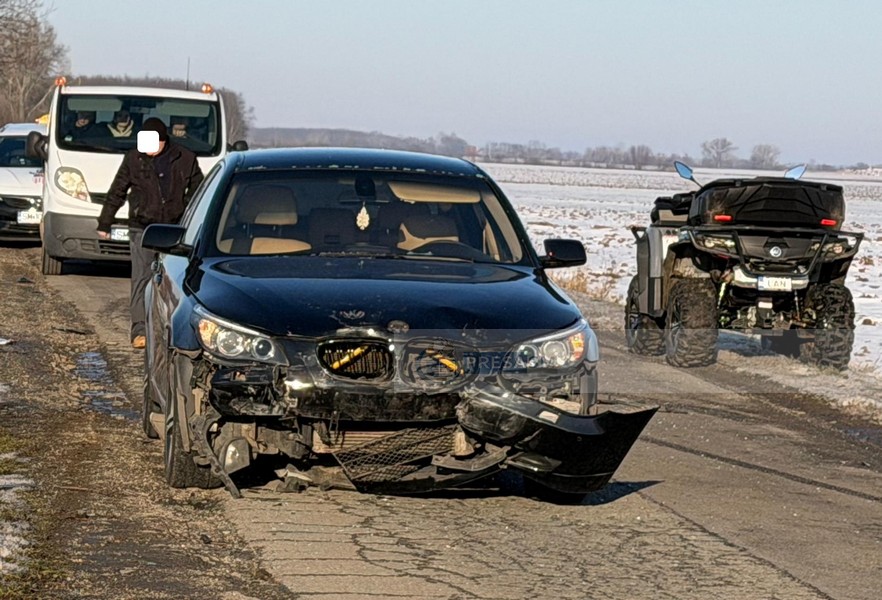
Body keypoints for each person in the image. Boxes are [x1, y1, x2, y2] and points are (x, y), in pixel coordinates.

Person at [96, 118, 204, 349]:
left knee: (175, 280)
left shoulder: (185, 158)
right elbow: (117, 190)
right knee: (142, 279)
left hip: (174, 230)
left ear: (164, 141)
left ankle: (174, 330)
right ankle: (140, 330)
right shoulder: (134, 158)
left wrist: (186, 214)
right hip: (141, 228)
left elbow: (199, 192)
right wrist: (105, 223)